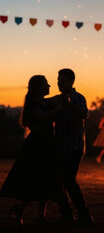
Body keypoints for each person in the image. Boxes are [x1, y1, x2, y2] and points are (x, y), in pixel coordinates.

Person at [0, 75, 67, 226]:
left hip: (47, 144)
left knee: (45, 182)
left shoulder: (42, 102)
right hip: (38, 146)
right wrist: (60, 107)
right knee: (37, 180)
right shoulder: (35, 105)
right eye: (46, 84)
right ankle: (29, 212)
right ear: (38, 87)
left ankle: (34, 214)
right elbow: (43, 118)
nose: (49, 86)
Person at [54, 68, 94, 226]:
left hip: (74, 145)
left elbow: (84, 114)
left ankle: (84, 214)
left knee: (68, 180)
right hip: (61, 146)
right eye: (58, 80)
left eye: (62, 80)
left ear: (71, 81)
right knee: (61, 182)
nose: (58, 82)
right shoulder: (57, 99)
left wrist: (69, 105)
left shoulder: (78, 97)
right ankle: (68, 215)